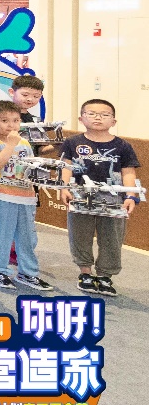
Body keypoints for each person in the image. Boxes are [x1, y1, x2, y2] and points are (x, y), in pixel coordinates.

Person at [59, 98, 140, 297]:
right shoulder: (72, 142)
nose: (98, 118)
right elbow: (65, 167)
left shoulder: (123, 146)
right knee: (80, 234)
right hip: (80, 196)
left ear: (113, 121)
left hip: (114, 200)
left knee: (112, 237)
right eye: (92, 114)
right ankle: (85, 273)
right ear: (81, 118)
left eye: (105, 115)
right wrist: (63, 188)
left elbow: (128, 172)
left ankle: (105, 276)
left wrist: (131, 196)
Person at [0, 74, 49, 264]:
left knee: (19, 213)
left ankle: (13, 249)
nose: (30, 99)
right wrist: (5, 140)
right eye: (25, 94)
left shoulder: (35, 119)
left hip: (23, 175)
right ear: (12, 92)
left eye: (36, 96)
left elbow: (41, 147)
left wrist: (58, 146)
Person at [0, 100, 53, 292]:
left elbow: (28, 168)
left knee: (28, 237)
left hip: (26, 196)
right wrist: (11, 144)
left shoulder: (25, 142)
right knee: (0, 235)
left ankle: (28, 272)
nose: (11, 125)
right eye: (4, 120)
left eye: (16, 120)